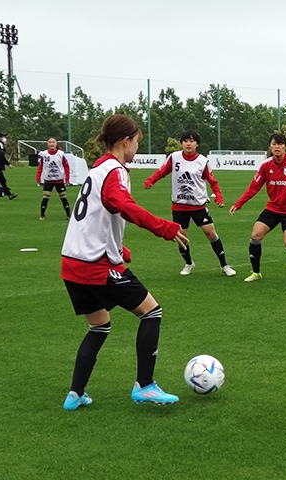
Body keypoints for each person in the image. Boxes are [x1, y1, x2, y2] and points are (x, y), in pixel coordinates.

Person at [61, 114, 188, 411]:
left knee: (99, 326)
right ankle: (145, 386)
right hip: (96, 265)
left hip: (72, 263)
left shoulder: (97, 170)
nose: (137, 150)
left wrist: (118, 247)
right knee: (152, 312)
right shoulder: (116, 171)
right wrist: (164, 228)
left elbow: (95, 216)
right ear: (124, 141)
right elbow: (123, 206)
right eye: (137, 143)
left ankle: (75, 393)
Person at [144, 129, 236, 276]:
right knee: (181, 237)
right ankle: (188, 263)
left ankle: (224, 265)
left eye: (192, 141)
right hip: (179, 206)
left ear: (197, 144)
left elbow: (212, 181)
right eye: (186, 141)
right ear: (181, 143)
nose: (188, 143)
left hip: (198, 206)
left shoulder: (202, 161)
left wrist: (218, 196)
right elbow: (162, 171)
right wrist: (151, 180)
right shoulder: (174, 158)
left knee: (211, 233)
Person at [229, 133, 286, 282]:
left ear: (285, 146)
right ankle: (256, 272)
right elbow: (253, 187)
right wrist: (239, 203)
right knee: (255, 235)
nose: (277, 147)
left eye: (280, 144)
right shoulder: (266, 165)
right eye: (274, 144)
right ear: (270, 146)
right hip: (272, 208)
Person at [36, 138, 71, 220]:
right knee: (45, 198)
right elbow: (40, 166)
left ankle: (68, 215)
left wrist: (67, 179)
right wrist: (38, 178)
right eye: (50, 142)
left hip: (59, 180)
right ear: (47, 144)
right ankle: (42, 215)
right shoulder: (44, 154)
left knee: (63, 198)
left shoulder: (61, 154)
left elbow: (66, 166)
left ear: (56, 144)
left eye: (53, 142)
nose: (52, 144)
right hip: (48, 180)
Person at [0, 132, 17, 200]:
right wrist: (8, 164)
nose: (5, 139)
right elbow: (1, 157)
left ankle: (9, 195)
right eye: (3, 137)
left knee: (3, 181)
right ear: (0, 138)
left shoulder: (0, 145)